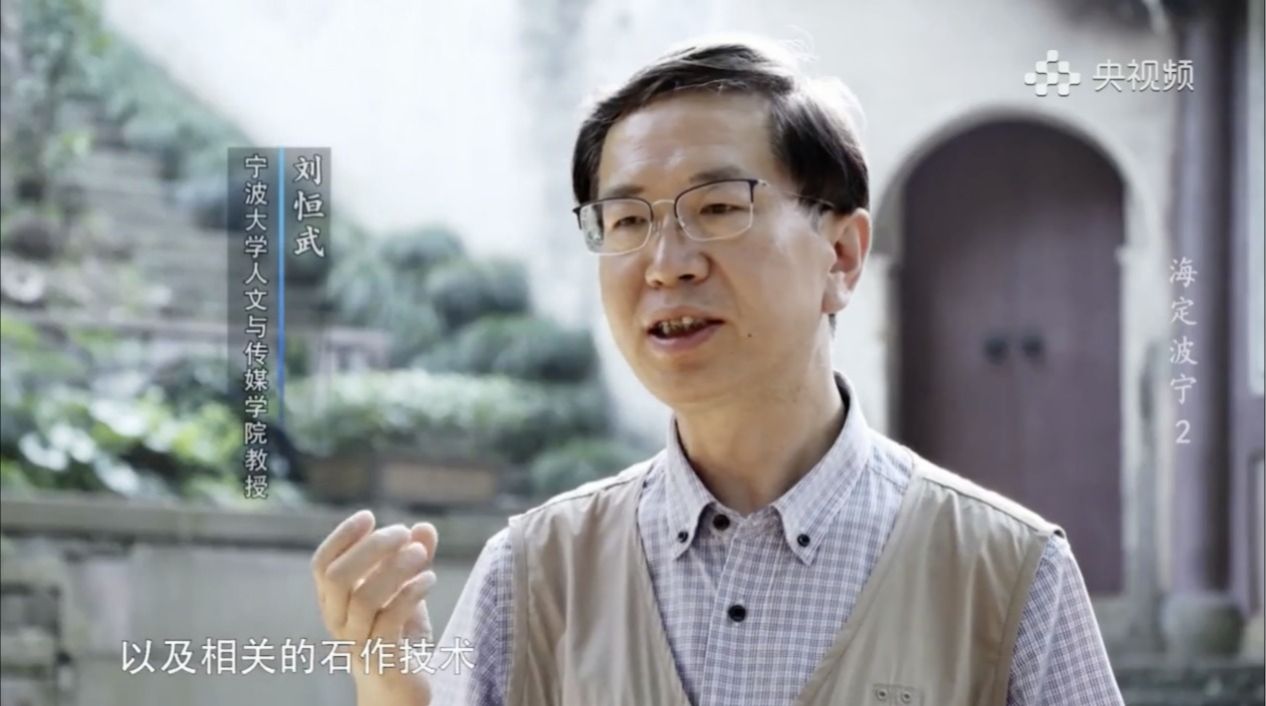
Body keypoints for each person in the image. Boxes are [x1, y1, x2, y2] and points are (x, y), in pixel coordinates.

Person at [311, 35, 1125, 706]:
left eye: (718, 208)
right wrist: (394, 690)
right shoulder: (532, 572)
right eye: (626, 220)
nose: (666, 262)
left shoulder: (1011, 575)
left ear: (842, 256)